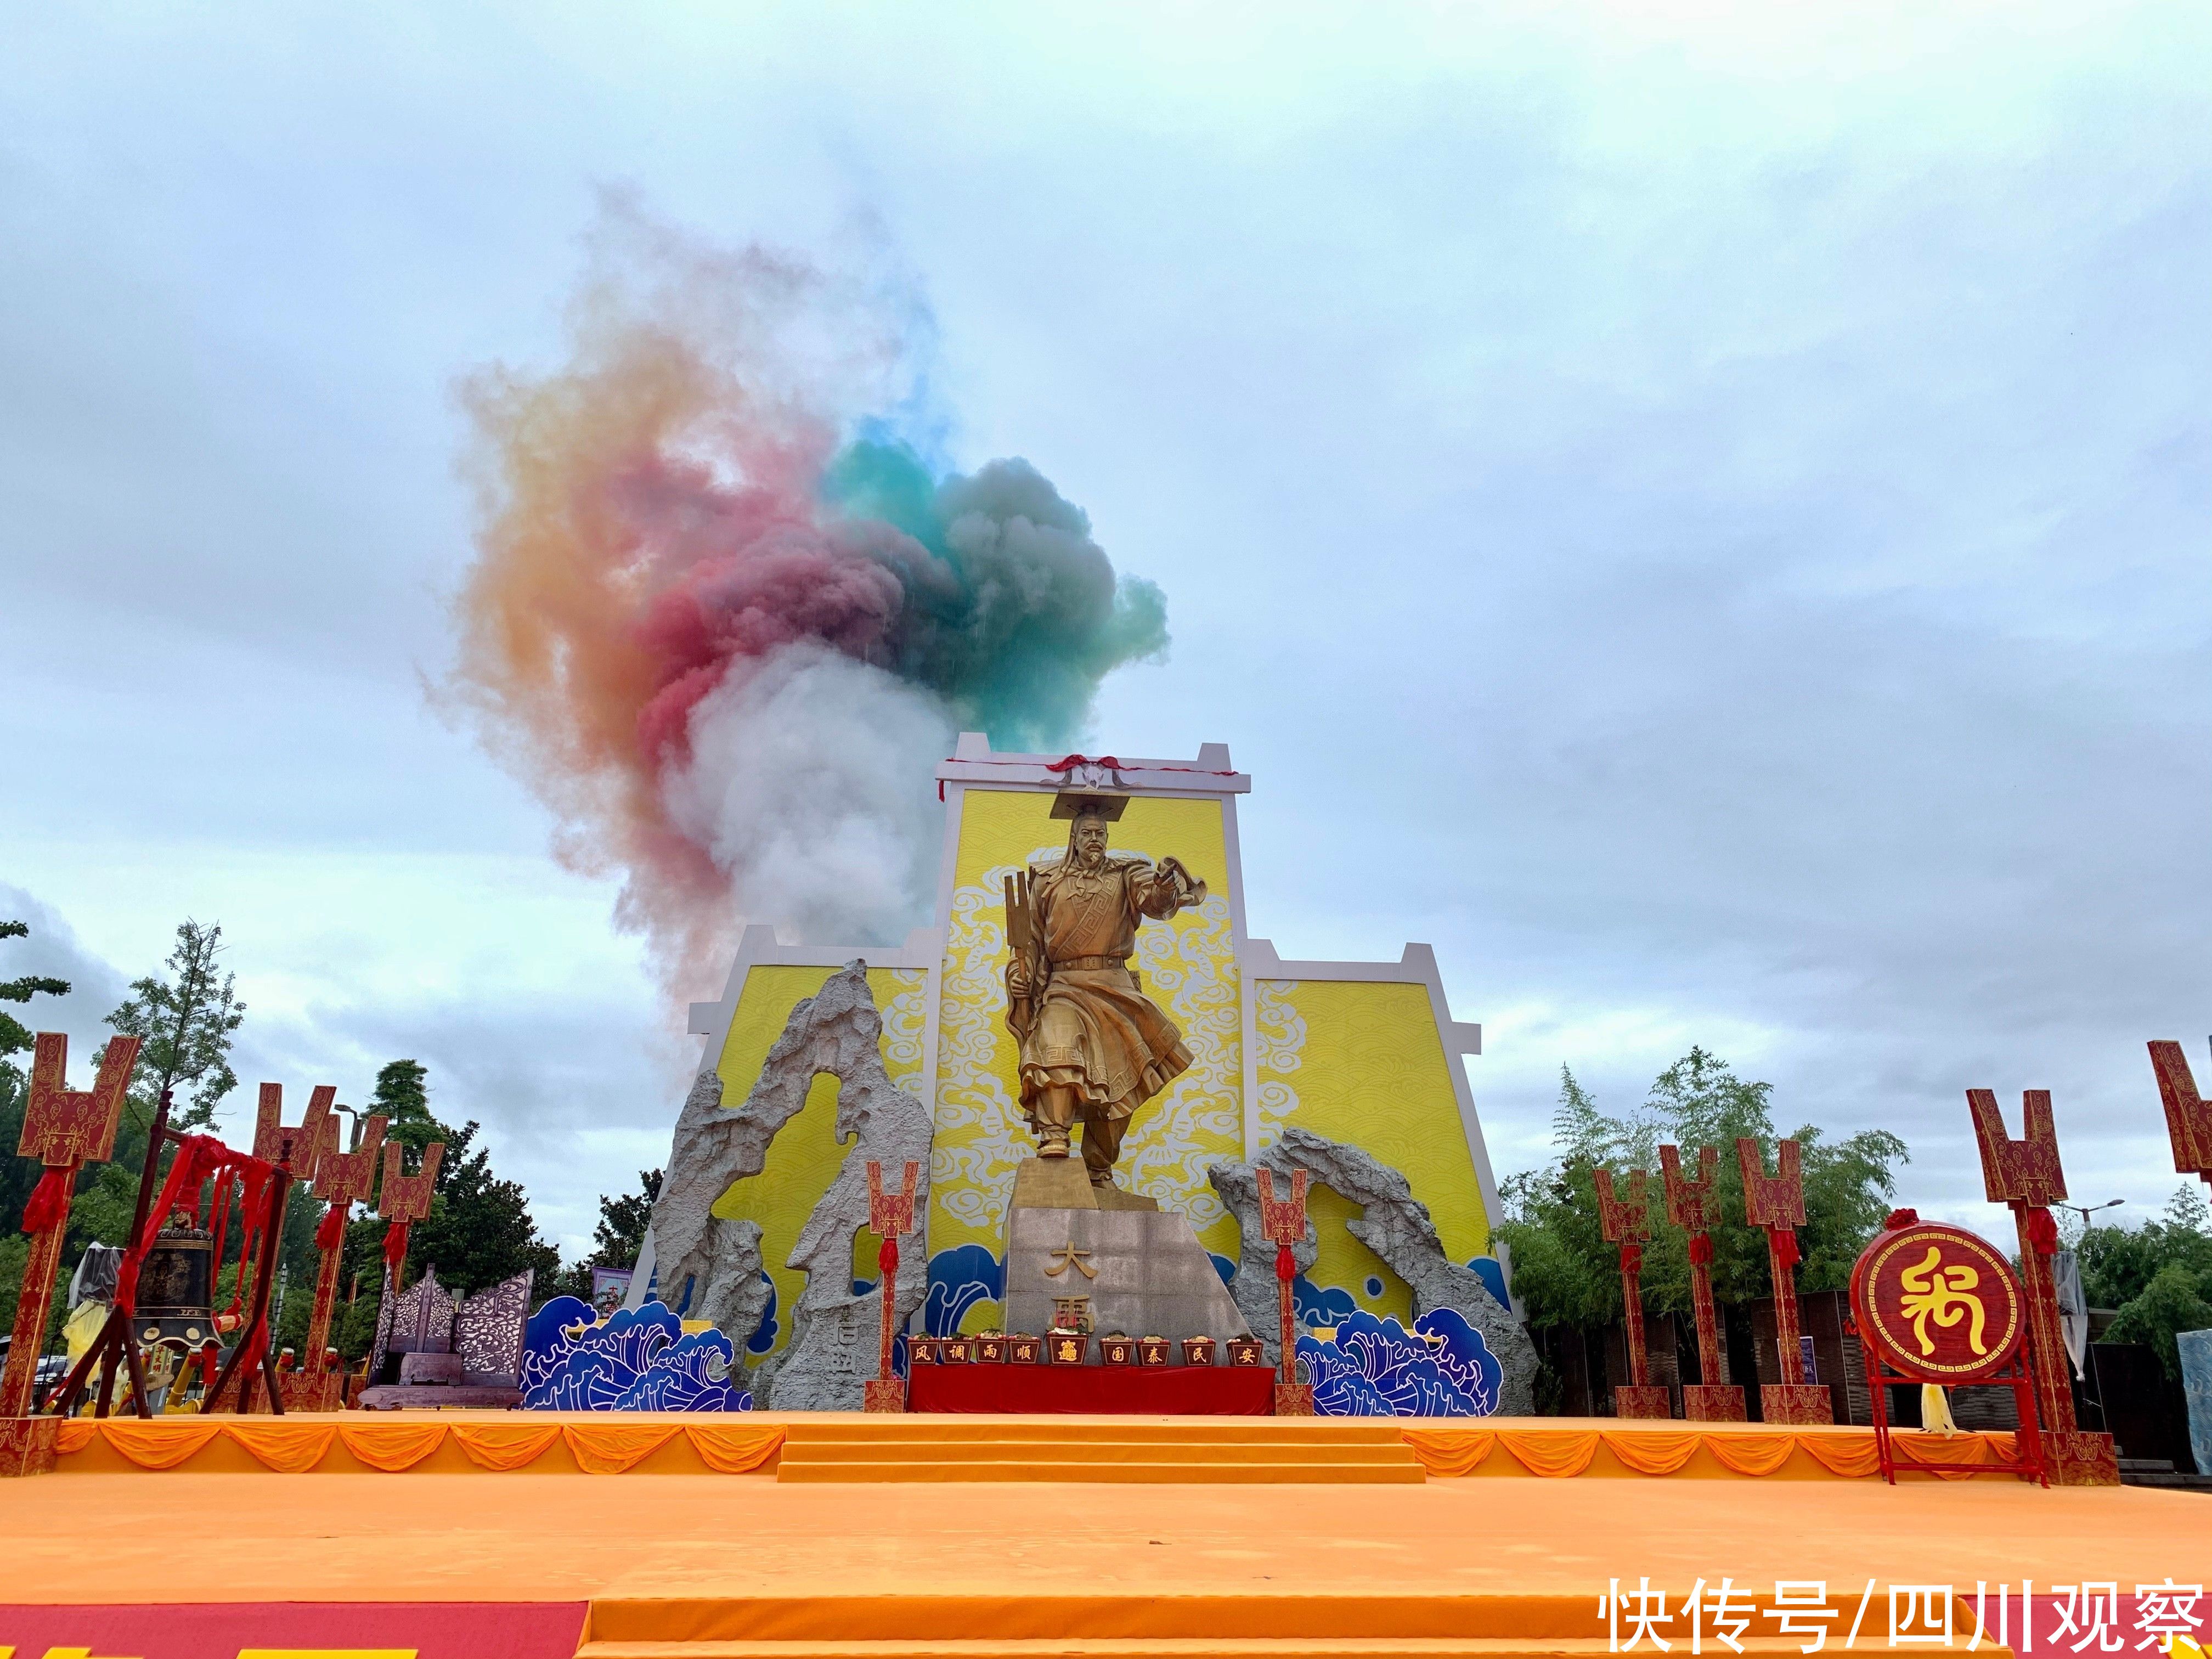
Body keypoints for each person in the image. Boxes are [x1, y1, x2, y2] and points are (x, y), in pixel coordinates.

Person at [1005, 799, 1206, 1189]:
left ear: (1107, 838)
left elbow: (1153, 900)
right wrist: (1019, 975)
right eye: (1087, 834)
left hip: (1115, 986)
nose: (1094, 840)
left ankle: (1099, 1170)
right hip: (1064, 986)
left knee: (1121, 1082)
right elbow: (1030, 944)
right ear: (1074, 838)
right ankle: (1055, 1139)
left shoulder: (1127, 874)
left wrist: (1165, 886)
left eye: (1101, 834)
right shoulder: (1047, 882)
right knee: (1055, 1046)